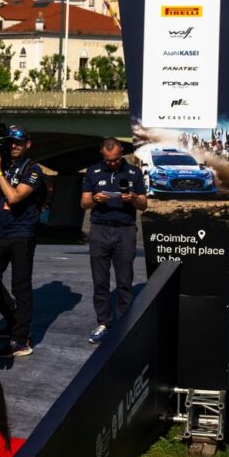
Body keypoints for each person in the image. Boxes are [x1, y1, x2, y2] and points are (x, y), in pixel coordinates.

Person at [0, 127, 46, 361]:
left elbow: (15, 196)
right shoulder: (6, 168)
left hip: (21, 234)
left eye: (18, 142)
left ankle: (21, 338)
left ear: (28, 144)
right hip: (0, 232)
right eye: (10, 143)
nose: (13, 146)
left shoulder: (33, 170)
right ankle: (13, 319)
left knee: (21, 286)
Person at [82, 136, 148, 346]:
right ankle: (104, 322)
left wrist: (133, 198)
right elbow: (84, 203)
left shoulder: (134, 173)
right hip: (100, 229)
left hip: (125, 231)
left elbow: (144, 205)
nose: (112, 163)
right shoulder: (93, 171)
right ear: (102, 155)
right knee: (100, 281)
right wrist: (95, 199)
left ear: (121, 154)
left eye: (116, 159)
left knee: (124, 281)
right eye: (108, 160)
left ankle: (125, 323)